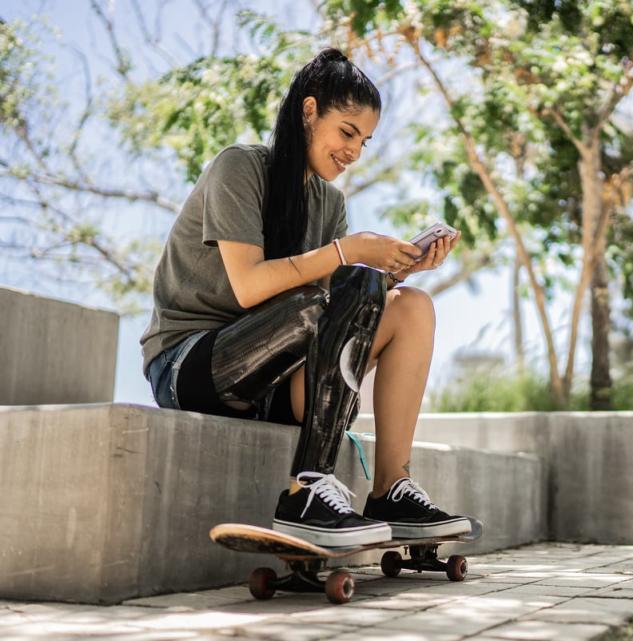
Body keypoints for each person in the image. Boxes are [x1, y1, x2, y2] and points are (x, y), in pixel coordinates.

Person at [140, 47, 471, 547]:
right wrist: (347, 252)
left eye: (364, 140)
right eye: (347, 132)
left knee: (412, 307)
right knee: (327, 297)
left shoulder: (330, 203)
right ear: (309, 111)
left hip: (278, 376)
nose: (354, 151)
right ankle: (308, 490)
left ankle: (390, 490)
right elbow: (250, 287)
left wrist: (398, 273)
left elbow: (342, 313)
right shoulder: (240, 168)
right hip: (192, 364)